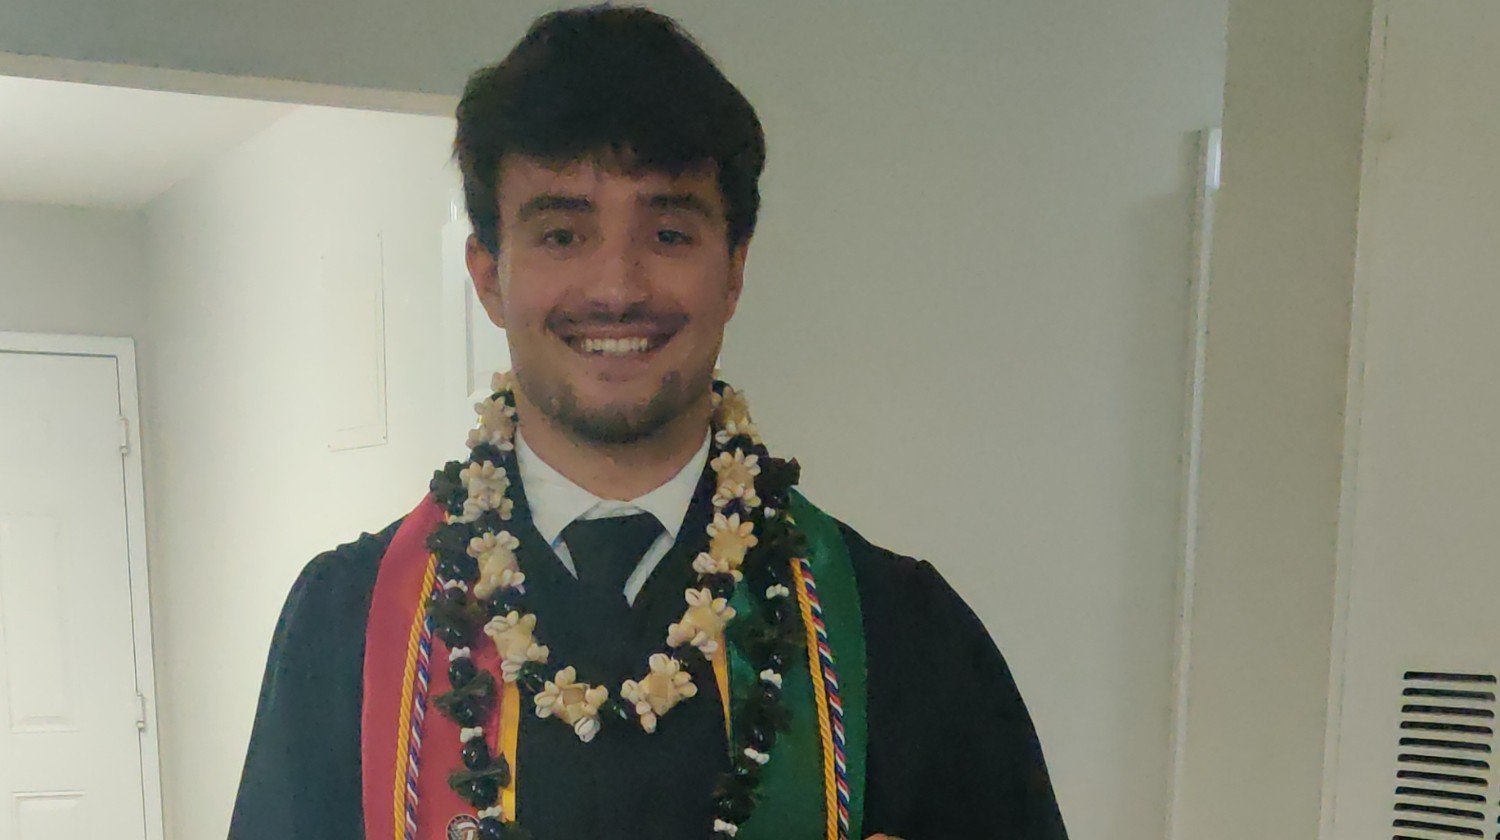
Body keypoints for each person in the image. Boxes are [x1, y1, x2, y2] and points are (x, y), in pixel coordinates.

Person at [229, 6, 1067, 839]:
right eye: (562, 234)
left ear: (733, 270)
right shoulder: (347, 629)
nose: (617, 287)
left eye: (668, 233)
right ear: (488, 274)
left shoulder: (902, 633)